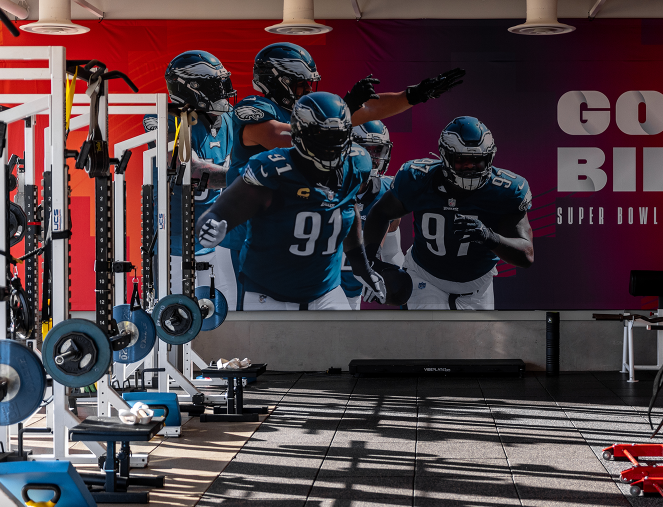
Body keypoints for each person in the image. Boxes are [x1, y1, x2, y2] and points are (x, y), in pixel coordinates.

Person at [212, 41, 465, 303]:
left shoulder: (310, 111)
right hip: (243, 237)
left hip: (286, 236)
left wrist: (415, 94)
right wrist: (345, 107)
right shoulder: (253, 108)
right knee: (242, 318)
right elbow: (281, 136)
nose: (309, 88)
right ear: (276, 81)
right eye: (302, 83)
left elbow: (371, 109)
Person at [195, 93, 384, 311]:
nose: (331, 145)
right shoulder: (272, 170)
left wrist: (362, 266)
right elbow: (223, 210)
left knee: (344, 344)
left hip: (326, 292)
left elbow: (347, 210)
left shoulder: (355, 163)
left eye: (337, 136)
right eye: (323, 136)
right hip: (270, 294)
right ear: (300, 134)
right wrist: (210, 224)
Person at [363, 116, 534, 310]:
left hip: (478, 286)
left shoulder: (506, 190)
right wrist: (370, 261)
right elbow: (380, 213)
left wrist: (489, 237)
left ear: (490, 158)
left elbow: (526, 255)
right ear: (445, 156)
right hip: (425, 277)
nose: (470, 166)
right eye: (462, 159)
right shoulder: (419, 179)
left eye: (477, 160)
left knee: (476, 341)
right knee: (428, 338)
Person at [154, 50, 238, 310]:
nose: (224, 93)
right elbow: (189, 168)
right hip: (177, 246)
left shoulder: (229, 117)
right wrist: (245, 179)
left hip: (218, 242)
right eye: (217, 87)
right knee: (178, 324)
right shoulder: (168, 119)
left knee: (226, 318)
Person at [339, 121, 404, 309]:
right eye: (366, 149)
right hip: (319, 286)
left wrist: (385, 274)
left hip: (352, 293)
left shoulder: (388, 192)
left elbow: (392, 252)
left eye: (378, 150)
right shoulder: (327, 187)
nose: (373, 157)